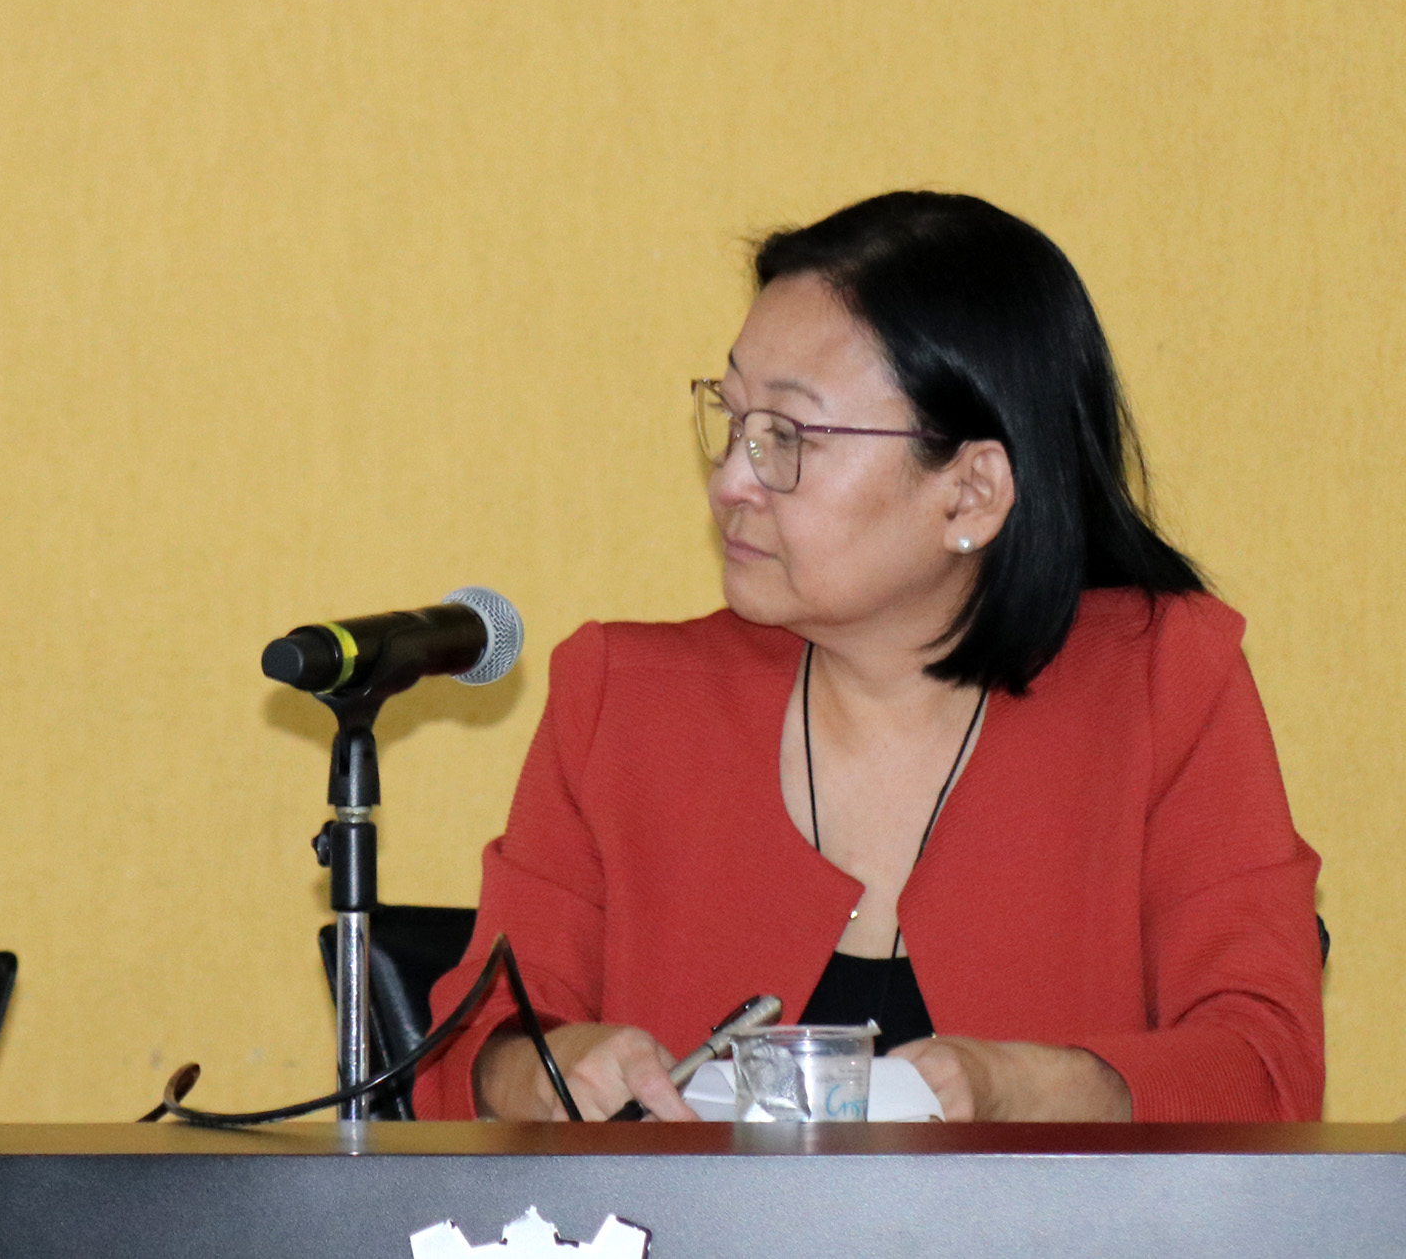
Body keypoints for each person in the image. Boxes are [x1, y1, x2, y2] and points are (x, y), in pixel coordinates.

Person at [416, 192, 1323, 1124]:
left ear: (971, 493)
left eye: (790, 438)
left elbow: (1266, 1069)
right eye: (733, 420)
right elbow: (465, 1055)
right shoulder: (624, 701)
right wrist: (545, 1070)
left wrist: (1036, 1090)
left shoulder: (1163, 683)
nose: (731, 480)